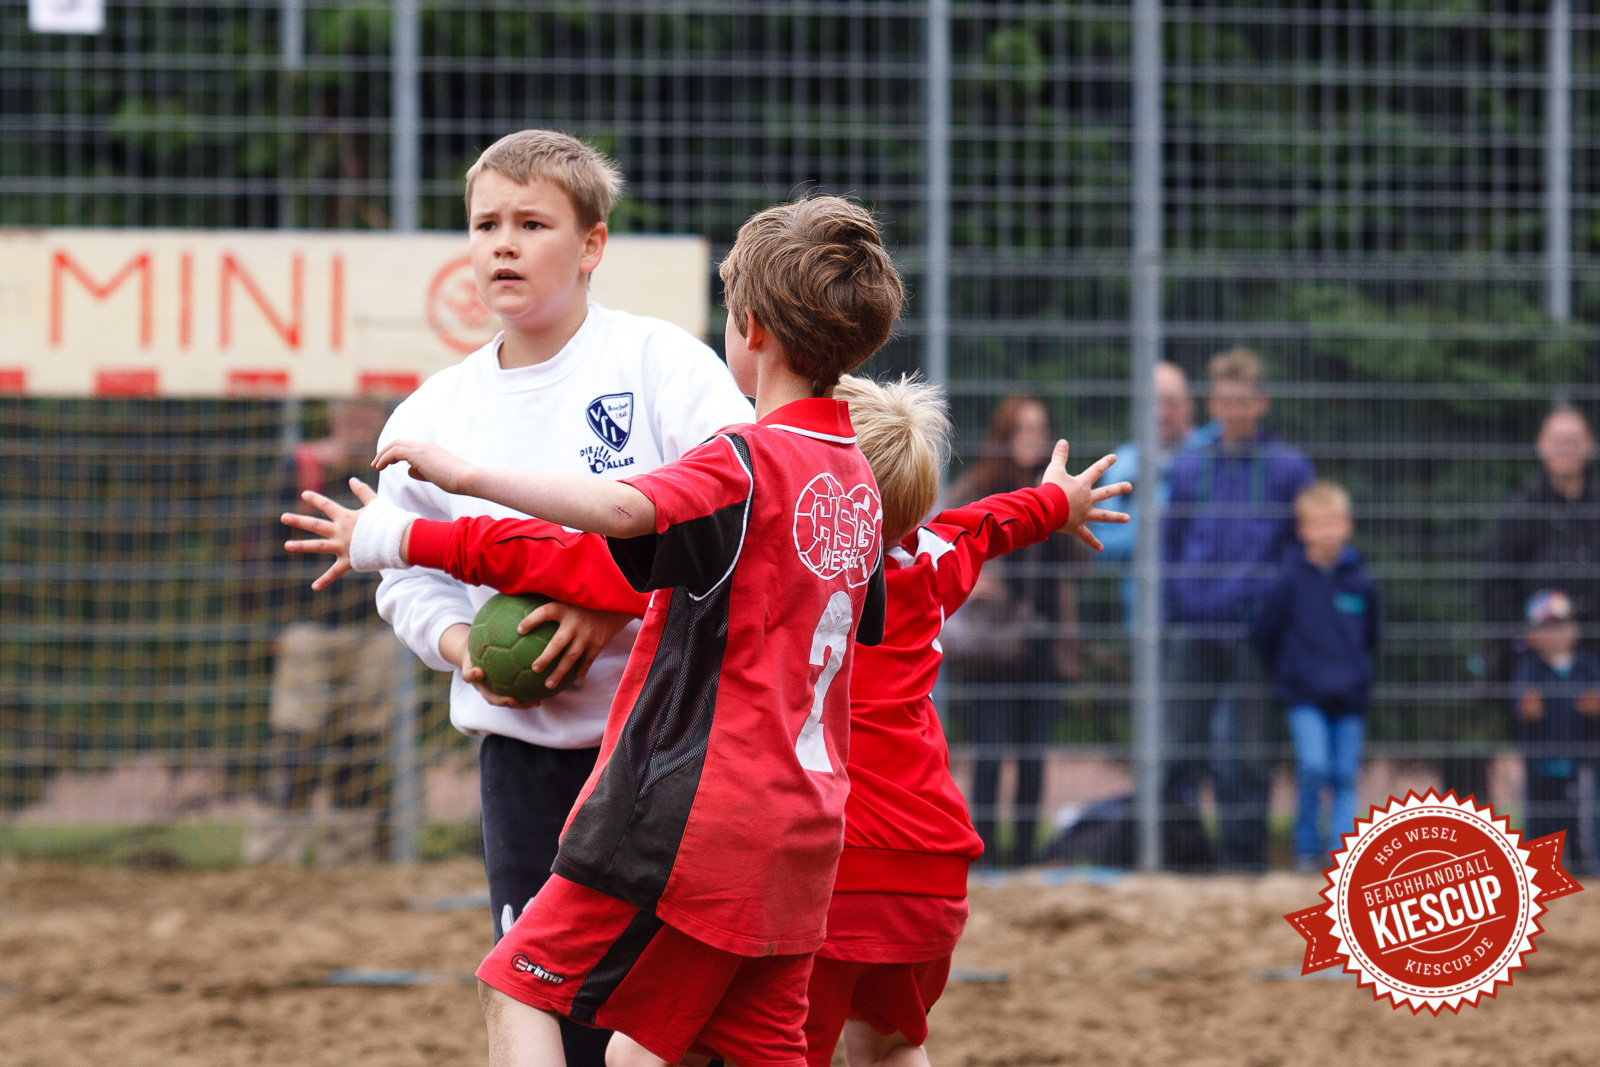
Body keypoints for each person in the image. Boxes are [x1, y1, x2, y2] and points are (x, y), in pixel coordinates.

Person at [289, 194, 900, 1067]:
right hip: (807, 823)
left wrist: (443, 493)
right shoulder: (853, 480)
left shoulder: (742, 462)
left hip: (698, 815)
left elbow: (617, 514)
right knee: (719, 1049)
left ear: (750, 329)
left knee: (518, 983)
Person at [367, 130, 752, 1067]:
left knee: (666, 1023)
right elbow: (403, 574)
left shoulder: (665, 366)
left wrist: (614, 600)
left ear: (591, 245)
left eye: (531, 223)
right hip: (527, 763)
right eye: (485, 223)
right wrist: (463, 645)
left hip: (666, 750)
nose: (502, 243)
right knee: (540, 1001)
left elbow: (740, 514)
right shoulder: (430, 416)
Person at [803, 377, 1128, 1067]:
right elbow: (992, 521)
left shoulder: (796, 564)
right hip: (934, 874)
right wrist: (1056, 502)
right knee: (891, 1041)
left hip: (836, 869)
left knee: (775, 1043)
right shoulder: (936, 555)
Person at [1163, 348, 1314, 870]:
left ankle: (1244, 865)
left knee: (1246, 756)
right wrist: (1172, 609)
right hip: (1193, 629)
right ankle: (1183, 860)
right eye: (1226, 401)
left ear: (1261, 403)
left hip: (1255, 632)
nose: (1236, 410)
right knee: (1178, 748)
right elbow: (1170, 542)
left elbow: (1302, 549)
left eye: (1245, 400)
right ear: (1213, 404)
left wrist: (1276, 611)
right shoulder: (1188, 468)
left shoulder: (1289, 469)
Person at [249, 397, 399, 867]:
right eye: (349, 408)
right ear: (333, 414)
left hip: (374, 635)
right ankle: (275, 858)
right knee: (295, 743)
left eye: (367, 409)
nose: (359, 417)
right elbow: (261, 548)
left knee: (362, 750)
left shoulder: (391, 473)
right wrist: (274, 624)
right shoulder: (301, 468)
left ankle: (349, 860)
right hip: (307, 633)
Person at [942, 396, 1085, 866]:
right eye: (1021, 428)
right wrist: (973, 576)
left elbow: (1080, 563)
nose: (1031, 437)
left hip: (1043, 640)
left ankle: (1024, 857)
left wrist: (1062, 515)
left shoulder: (1056, 490)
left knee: (1033, 753)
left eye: (1038, 428)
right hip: (991, 646)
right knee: (989, 751)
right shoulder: (976, 489)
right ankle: (983, 854)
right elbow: (939, 545)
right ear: (1003, 436)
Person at [1249, 481, 1379, 872]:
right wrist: (1291, 673)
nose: (1327, 531)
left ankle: (1341, 857)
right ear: (1302, 530)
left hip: (1350, 698)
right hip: (1304, 696)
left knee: (1344, 777)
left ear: (1348, 525)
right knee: (1314, 768)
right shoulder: (1288, 581)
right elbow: (1264, 634)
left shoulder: (1361, 582)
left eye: (1334, 522)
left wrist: (1358, 675)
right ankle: (1306, 851)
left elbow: (1372, 637)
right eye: (1318, 523)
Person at [1478, 407, 1600, 807]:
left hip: (1593, 661)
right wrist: (1528, 641)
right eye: (1557, 440)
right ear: (1540, 447)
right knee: (1542, 778)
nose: (1565, 448)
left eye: (1573, 439)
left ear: (1590, 445)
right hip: (1535, 668)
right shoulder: (1521, 510)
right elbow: (1495, 587)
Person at [1096, 361, 1220, 624]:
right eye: (1152, 402)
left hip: (1208, 615)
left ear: (1190, 406)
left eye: (1171, 402)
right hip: (1146, 618)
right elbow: (1101, 542)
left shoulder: (1215, 453)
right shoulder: (1123, 463)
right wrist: (1158, 527)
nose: (1161, 412)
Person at [1511, 589, 1600, 870]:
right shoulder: (1529, 669)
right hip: (1540, 767)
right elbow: (1524, 707)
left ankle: (1588, 884)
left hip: (1579, 765)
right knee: (1540, 833)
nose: (1554, 634)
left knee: (1584, 831)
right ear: (1532, 635)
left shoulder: (1587, 665)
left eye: (1560, 625)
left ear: (1574, 630)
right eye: (1545, 627)